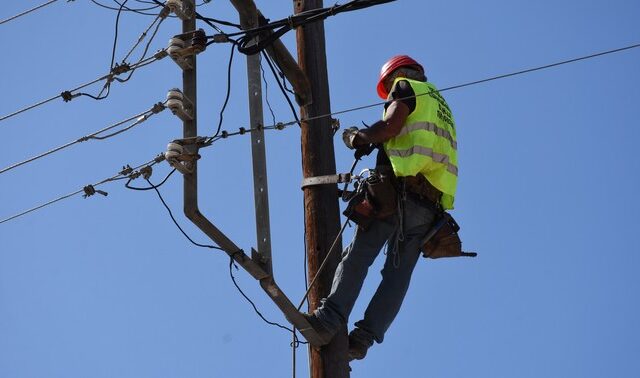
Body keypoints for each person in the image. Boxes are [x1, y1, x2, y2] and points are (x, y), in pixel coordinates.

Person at [302, 55, 459, 361]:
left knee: (358, 256)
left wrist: (358, 137)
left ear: (396, 75)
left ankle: (327, 321)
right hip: (429, 209)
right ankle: (361, 340)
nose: (388, 93)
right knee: (397, 276)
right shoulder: (442, 105)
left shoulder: (405, 86)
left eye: (387, 87)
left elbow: (390, 126)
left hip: (397, 194)